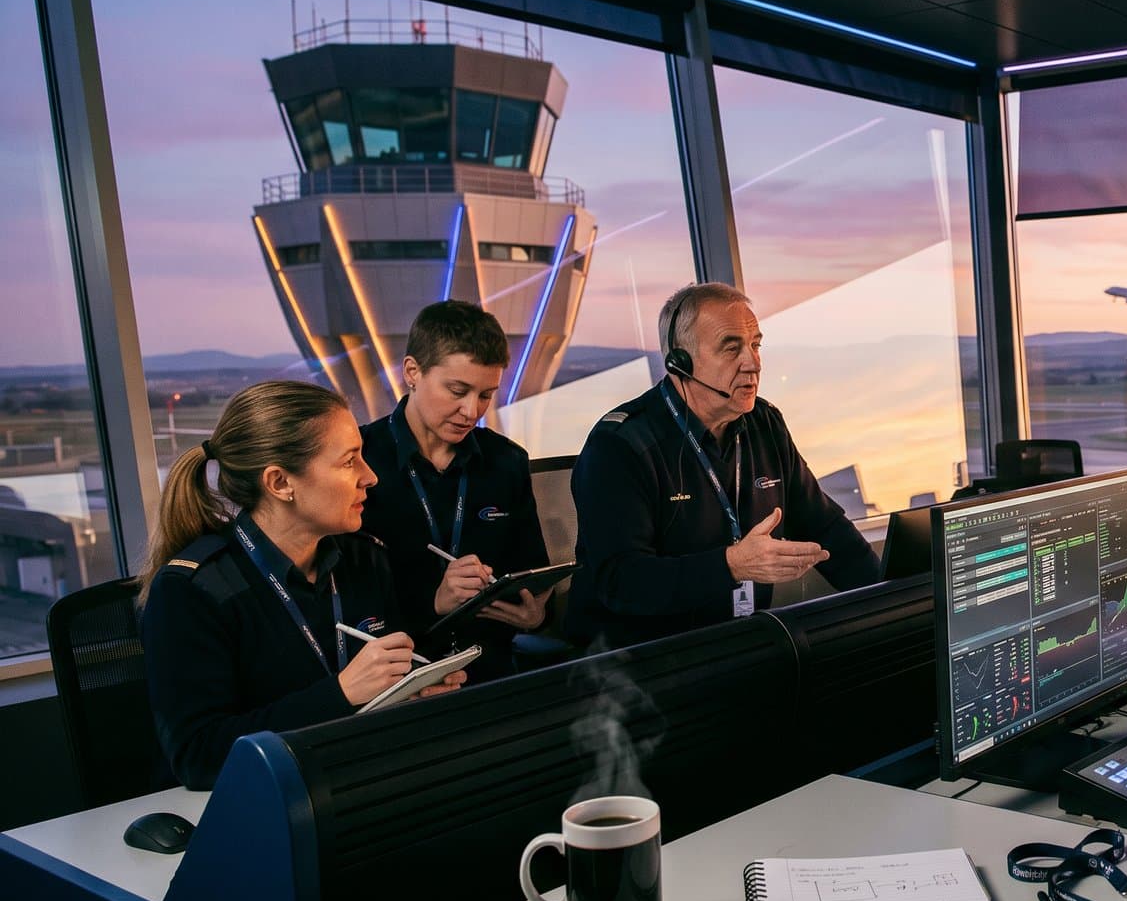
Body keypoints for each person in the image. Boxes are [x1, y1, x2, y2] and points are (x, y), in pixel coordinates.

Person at [142, 381, 467, 790]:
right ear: (280, 483)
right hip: (258, 806)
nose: (370, 477)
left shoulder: (364, 559)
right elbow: (199, 756)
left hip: (354, 783)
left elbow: (374, 697)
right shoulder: (193, 590)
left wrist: (408, 692)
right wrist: (341, 694)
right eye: (349, 462)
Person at [567, 282, 881, 649]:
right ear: (679, 362)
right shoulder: (620, 446)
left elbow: (824, 526)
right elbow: (621, 581)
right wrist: (730, 566)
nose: (753, 362)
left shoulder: (765, 424)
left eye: (755, 345)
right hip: (638, 663)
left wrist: (891, 591)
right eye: (731, 348)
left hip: (738, 644)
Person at [359, 301, 551, 683]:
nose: (471, 411)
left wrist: (537, 614)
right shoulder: (359, 461)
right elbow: (346, 604)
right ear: (412, 372)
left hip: (492, 665)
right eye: (457, 390)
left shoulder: (507, 461)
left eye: (485, 395)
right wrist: (434, 602)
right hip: (398, 677)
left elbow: (534, 569)